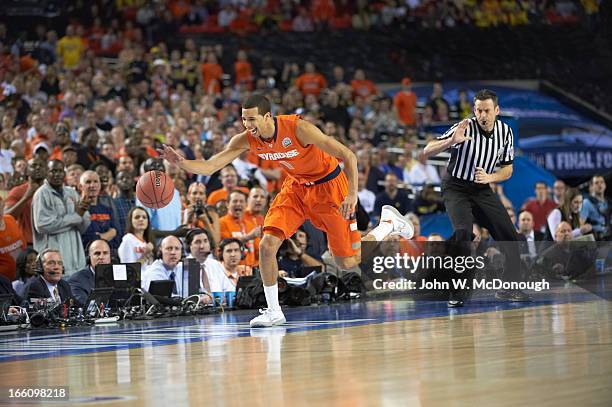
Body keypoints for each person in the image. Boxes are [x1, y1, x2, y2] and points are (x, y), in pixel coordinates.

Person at [161, 94, 413, 327]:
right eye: (243, 119)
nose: (247, 124)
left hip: (330, 187)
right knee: (267, 244)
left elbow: (348, 155)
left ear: (267, 117)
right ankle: (274, 311)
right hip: (296, 188)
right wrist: (181, 162)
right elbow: (210, 166)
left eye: (252, 119)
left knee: (347, 261)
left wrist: (350, 194)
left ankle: (387, 225)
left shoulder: (298, 128)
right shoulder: (245, 140)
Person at [423, 89, 530, 305]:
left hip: (481, 187)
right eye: (479, 110)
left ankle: (509, 288)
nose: (482, 115)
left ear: (496, 110)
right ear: (474, 110)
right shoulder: (465, 126)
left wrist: (490, 176)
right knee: (463, 234)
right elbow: (427, 150)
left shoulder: (505, 132)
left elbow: (507, 170)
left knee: (510, 235)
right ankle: (457, 291)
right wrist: (451, 141)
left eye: (487, 110)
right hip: (455, 187)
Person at [32, 160, 90, 276]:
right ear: (46, 172)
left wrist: (82, 214)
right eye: (53, 171)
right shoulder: (41, 194)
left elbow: (84, 225)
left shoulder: (71, 193)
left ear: (64, 173)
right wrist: (76, 217)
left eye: (60, 171)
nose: (57, 174)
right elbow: (43, 225)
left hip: (77, 261)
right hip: (52, 262)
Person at [4, 158, 47, 245]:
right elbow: (6, 217)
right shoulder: (18, 191)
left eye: (41, 165)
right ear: (27, 171)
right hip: (28, 244)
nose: (38, 168)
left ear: (46, 170)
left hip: (50, 242)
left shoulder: (53, 191)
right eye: (34, 166)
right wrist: (26, 197)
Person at [184, 228, 233, 301]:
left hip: (218, 309)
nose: (202, 246)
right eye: (197, 242)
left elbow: (230, 290)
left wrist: (218, 298)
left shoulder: (215, 264)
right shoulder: (183, 267)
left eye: (205, 241)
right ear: (189, 246)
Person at [69, 239, 112, 306]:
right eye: (97, 253)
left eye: (105, 253)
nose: (101, 257)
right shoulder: (77, 280)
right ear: (89, 256)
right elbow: (85, 306)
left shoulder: (117, 276)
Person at [580, 175, 610, 240]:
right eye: (596, 183)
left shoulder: (609, 202)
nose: (600, 185)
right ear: (591, 187)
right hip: (597, 240)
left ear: (605, 185)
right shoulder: (586, 203)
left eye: (602, 182)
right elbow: (580, 225)